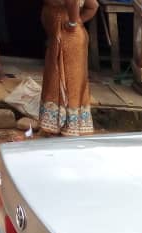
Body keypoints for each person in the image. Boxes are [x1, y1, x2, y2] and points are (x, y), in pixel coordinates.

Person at [39, 0, 99, 137]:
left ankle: (63, 126)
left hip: (67, 36)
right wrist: (78, 21)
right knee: (71, 81)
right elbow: (93, 6)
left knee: (61, 79)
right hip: (69, 34)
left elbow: (73, 1)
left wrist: (73, 22)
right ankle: (65, 125)